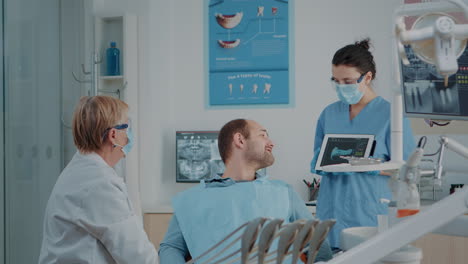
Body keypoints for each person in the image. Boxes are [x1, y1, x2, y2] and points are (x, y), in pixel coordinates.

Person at [159, 119, 332, 263]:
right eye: (263, 135)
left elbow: (318, 244)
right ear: (240, 140)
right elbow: (171, 247)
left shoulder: (283, 192)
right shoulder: (192, 200)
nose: (271, 143)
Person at [310, 38, 416, 250]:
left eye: (348, 82)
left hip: (369, 214)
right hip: (331, 214)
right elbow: (317, 160)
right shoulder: (329, 114)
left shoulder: (391, 116)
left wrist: (371, 167)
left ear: (367, 77)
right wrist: (324, 162)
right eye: (336, 81)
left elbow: (408, 171)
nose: (341, 87)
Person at [38, 96, 158, 264]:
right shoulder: (100, 183)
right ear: (113, 135)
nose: (130, 135)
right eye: (127, 127)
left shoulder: (81, 169)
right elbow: (138, 256)